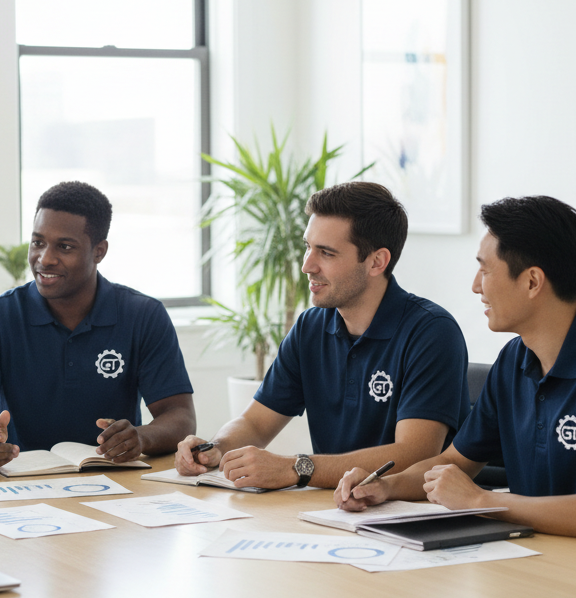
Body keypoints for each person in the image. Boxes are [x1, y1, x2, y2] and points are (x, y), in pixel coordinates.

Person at [335, 196, 576, 559]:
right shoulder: (514, 360)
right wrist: (386, 486)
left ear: (532, 281)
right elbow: (453, 462)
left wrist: (482, 500)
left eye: (485, 270)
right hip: (544, 565)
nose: (475, 286)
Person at [175, 181, 470, 490]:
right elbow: (255, 422)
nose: (307, 266)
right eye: (308, 247)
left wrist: (297, 468)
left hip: (409, 513)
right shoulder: (310, 327)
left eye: (326, 253)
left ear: (376, 262)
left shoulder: (432, 332)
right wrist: (215, 448)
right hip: (331, 509)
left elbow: (415, 454)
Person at [0, 181, 196, 470]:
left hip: (115, 484)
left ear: (99, 251)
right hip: (19, 484)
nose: (45, 259)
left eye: (64, 246)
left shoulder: (144, 316)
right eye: (38, 242)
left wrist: (140, 437)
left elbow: (180, 415)